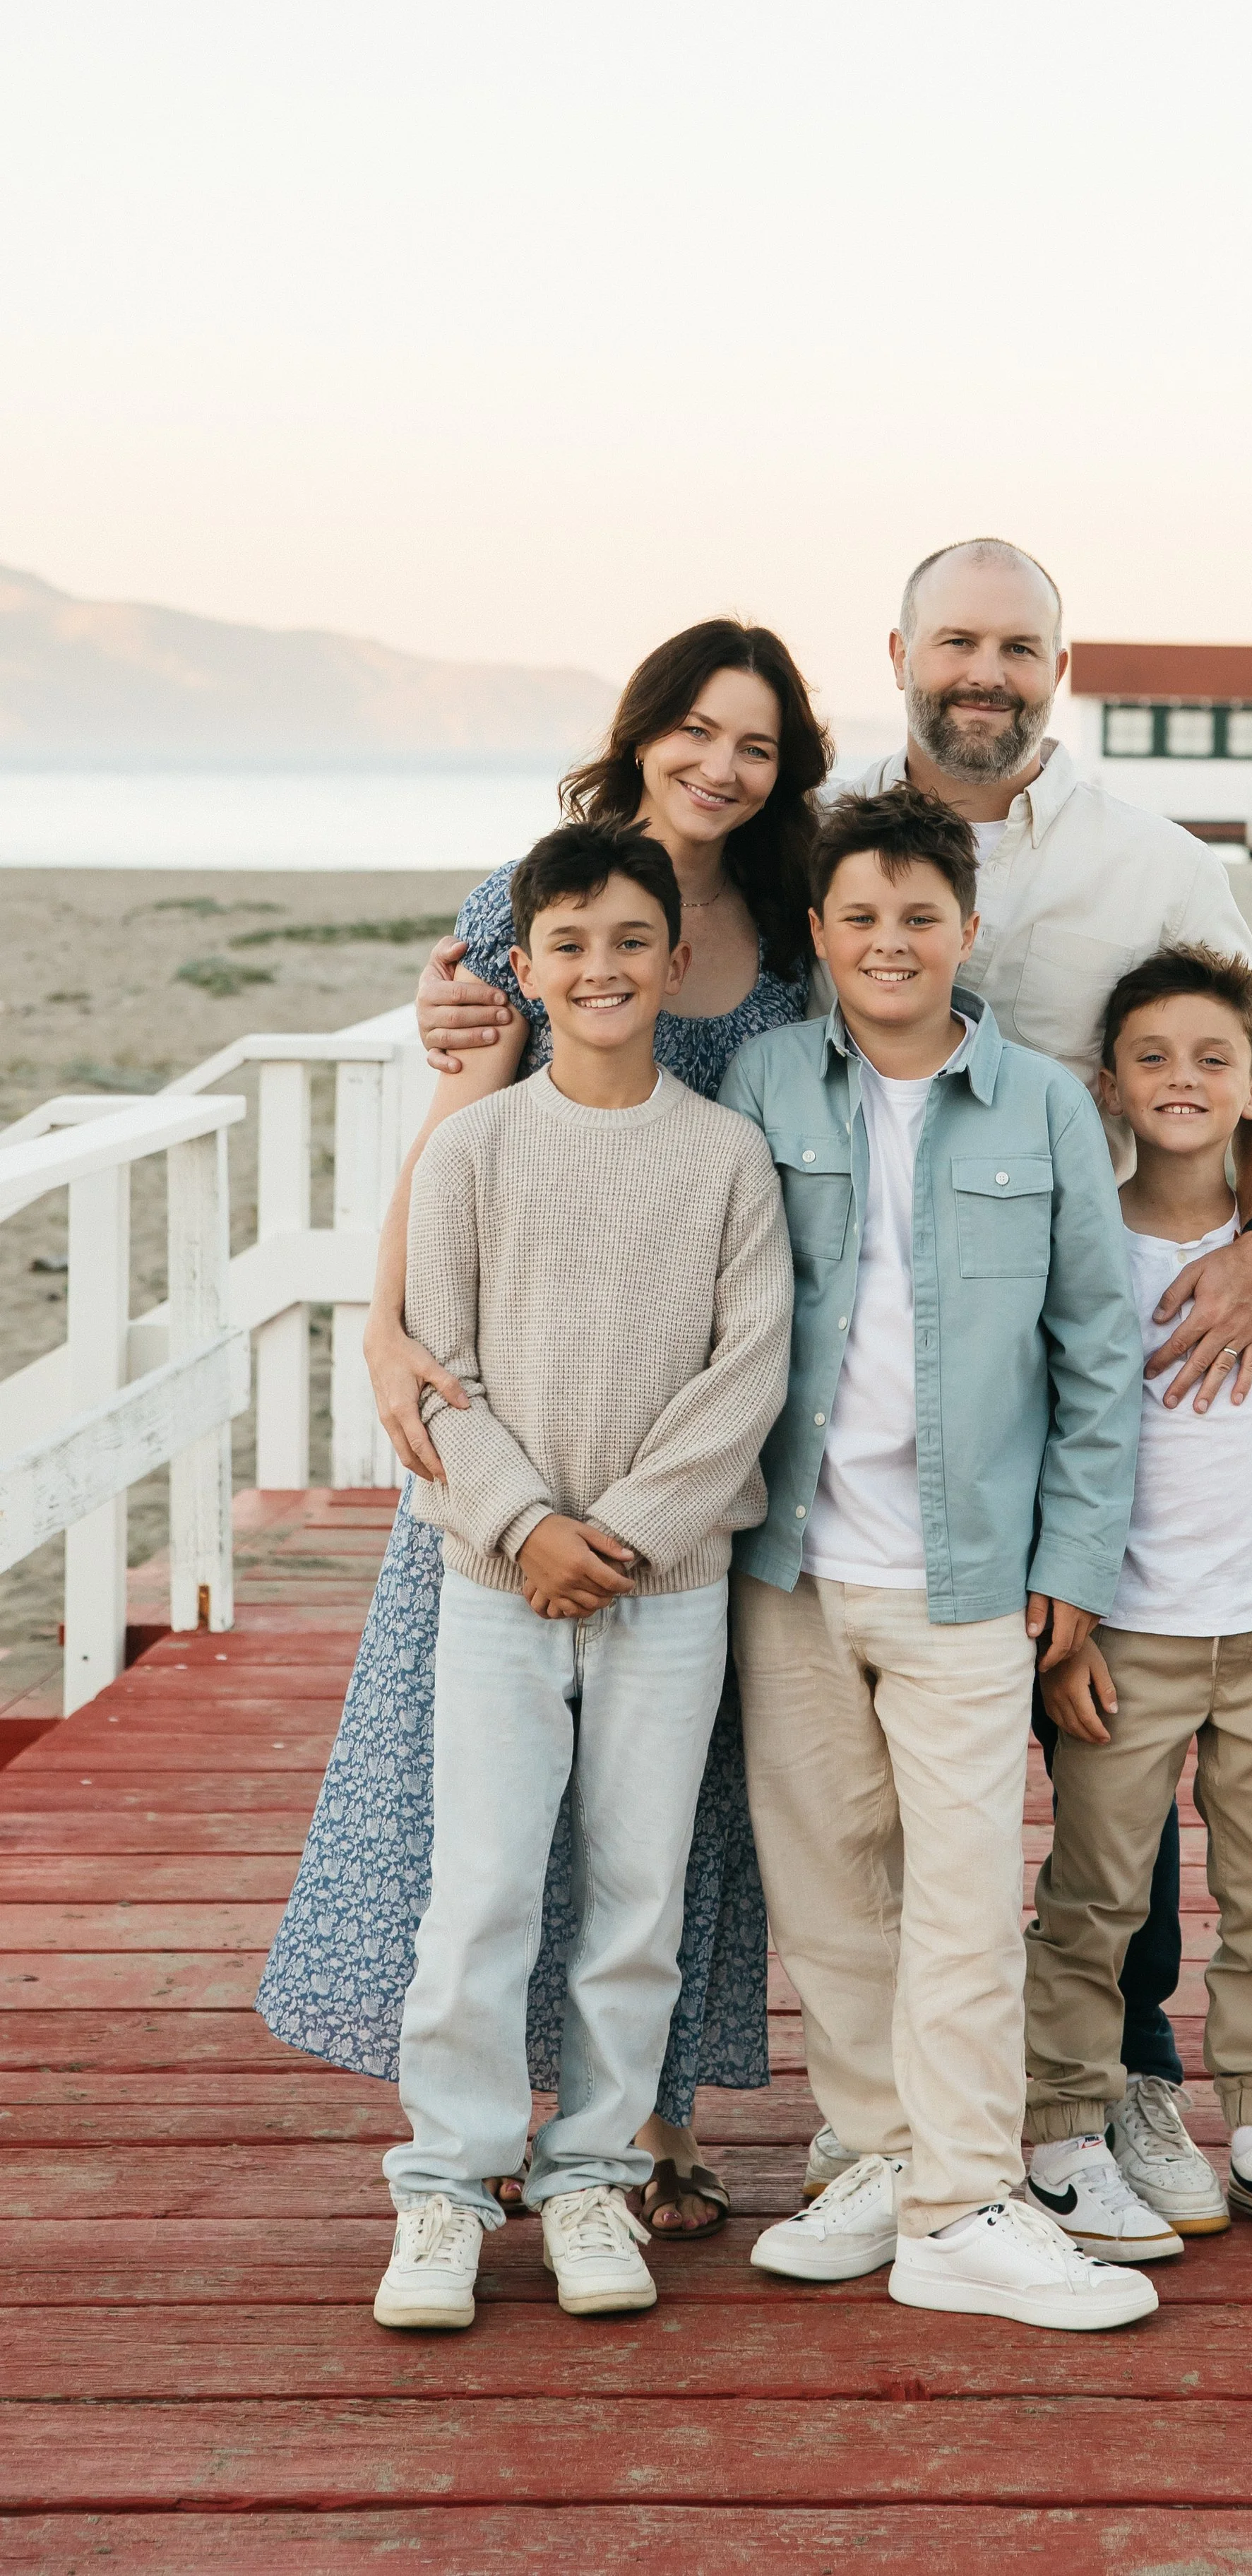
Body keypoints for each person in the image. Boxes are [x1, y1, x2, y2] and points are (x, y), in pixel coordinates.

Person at [417, 537, 1252, 2177]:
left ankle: (1084, 2096)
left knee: (1081, 1791)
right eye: (955, 641)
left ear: (1061, 662)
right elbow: (602, 1018)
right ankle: (847, 2142)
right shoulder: (793, 889)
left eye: (1018, 645)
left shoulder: (1153, 873)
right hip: (782, 1497)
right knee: (802, 1845)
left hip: (1029, 1423)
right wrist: (473, 1034)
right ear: (900, 652)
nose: (985, 670)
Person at [256, 620, 827, 2239]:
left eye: (758, 746)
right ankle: (465, 2145)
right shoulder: (534, 907)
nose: (721, 766)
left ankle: (638, 2133)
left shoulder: (791, 937)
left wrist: (664, 1511)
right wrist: (386, 1330)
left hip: (686, 1451)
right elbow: (457, 1145)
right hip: (517, 1422)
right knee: (490, 1828)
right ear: (642, 730)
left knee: (667, 1821)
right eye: (697, 731)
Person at [720, 785, 1155, 2333]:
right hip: (786, 1565)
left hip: (966, 1576)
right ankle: (882, 2155)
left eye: (919, 916)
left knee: (963, 1895)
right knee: (830, 1883)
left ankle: (966, 2201)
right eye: (859, 918)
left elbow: (1099, 1354)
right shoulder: (766, 1081)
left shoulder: (1039, 1103)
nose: (890, 942)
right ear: (818, 936)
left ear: (967, 929)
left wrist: (1077, 1564)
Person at [374, 821, 792, 2329]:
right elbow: (438, 1361)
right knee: (480, 1890)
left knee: (637, 1894)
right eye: (569, 945)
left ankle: (591, 2178)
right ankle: (441, 2186)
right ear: (526, 967)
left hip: (666, 1590)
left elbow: (747, 1372)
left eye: (629, 941)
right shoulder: (477, 1147)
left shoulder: (727, 1155)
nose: (601, 968)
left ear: (676, 964)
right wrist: (524, 1527)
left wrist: (620, 1533)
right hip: (498, 1584)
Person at [1021, 946, 1252, 2260]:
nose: (1183, 1078)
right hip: (1130, 1637)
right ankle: (1065, 2129)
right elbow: (1048, 1432)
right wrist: (1060, 1630)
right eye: (1153, 1057)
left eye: (1214, 1059)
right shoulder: (1084, 1247)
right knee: (1095, 1896)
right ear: (1109, 1087)